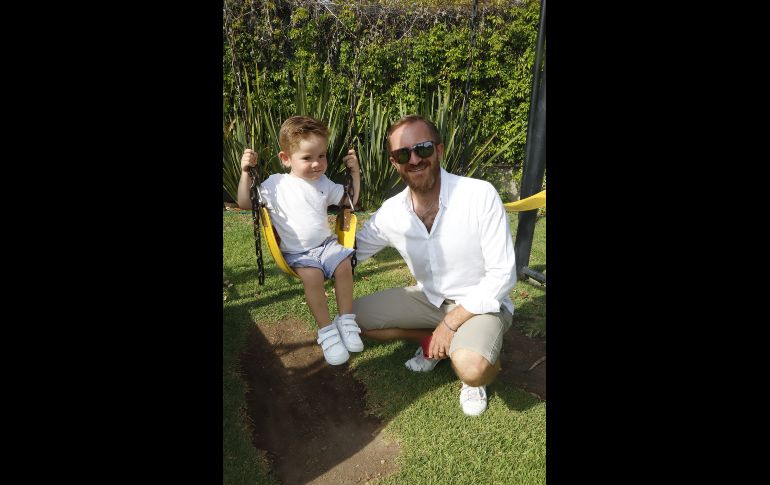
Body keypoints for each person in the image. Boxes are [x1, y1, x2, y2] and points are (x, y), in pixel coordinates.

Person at [352, 115, 516, 416]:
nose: (414, 159)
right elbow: (351, 254)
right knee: (353, 320)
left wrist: (451, 323)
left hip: (480, 305)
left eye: (423, 149)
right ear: (394, 162)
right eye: (403, 154)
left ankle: (473, 366)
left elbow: (503, 275)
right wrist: (306, 256)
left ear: (439, 150)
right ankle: (433, 342)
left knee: (471, 367)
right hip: (431, 300)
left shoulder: (479, 195)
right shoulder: (392, 212)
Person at [237, 115, 363, 366]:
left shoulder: (324, 183)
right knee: (313, 277)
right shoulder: (275, 184)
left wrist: (355, 173)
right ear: (286, 159)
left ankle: (346, 321)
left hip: (326, 245)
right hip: (298, 254)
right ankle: (327, 332)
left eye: (322, 156)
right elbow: (243, 202)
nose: (317, 164)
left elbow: (350, 201)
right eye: (307, 158)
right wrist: (245, 172)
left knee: (344, 266)